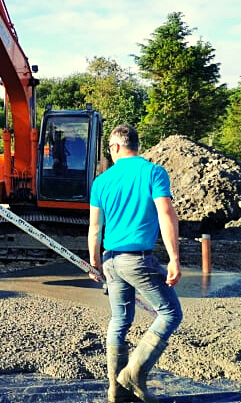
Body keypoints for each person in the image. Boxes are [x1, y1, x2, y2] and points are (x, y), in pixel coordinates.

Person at [88, 124, 182, 403]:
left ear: (116, 147)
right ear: (136, 145)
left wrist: (95, 262)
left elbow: (95, 228)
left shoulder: (101, 181)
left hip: (110, 261)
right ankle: (132, 375)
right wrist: (174, 258)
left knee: (119, 320)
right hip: (138, 260)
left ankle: (116, 391)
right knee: (170, 314)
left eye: (110, 149)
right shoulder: (154, 172)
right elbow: (166, 215)